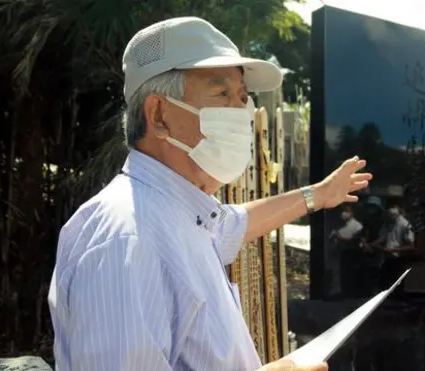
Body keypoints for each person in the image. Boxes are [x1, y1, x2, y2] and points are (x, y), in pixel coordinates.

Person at [47, 17, 372, 371]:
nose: (242, 112)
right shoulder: (126, 239)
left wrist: (319, 194)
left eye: (243, 97)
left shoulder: (180, 213)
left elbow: (236, 223)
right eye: (222, 95)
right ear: (158, 115)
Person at [329, 205, 363, 297]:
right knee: (341, 274)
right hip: (341, 252)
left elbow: (355, 240)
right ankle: (342, 293)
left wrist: (339, 238)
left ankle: (351, 294)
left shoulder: (357, 226)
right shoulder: (339, 226)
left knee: (350, 275)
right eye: (342, 211)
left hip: (352, 254)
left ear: (351, 213)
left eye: (346, 211)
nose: (343, 214)